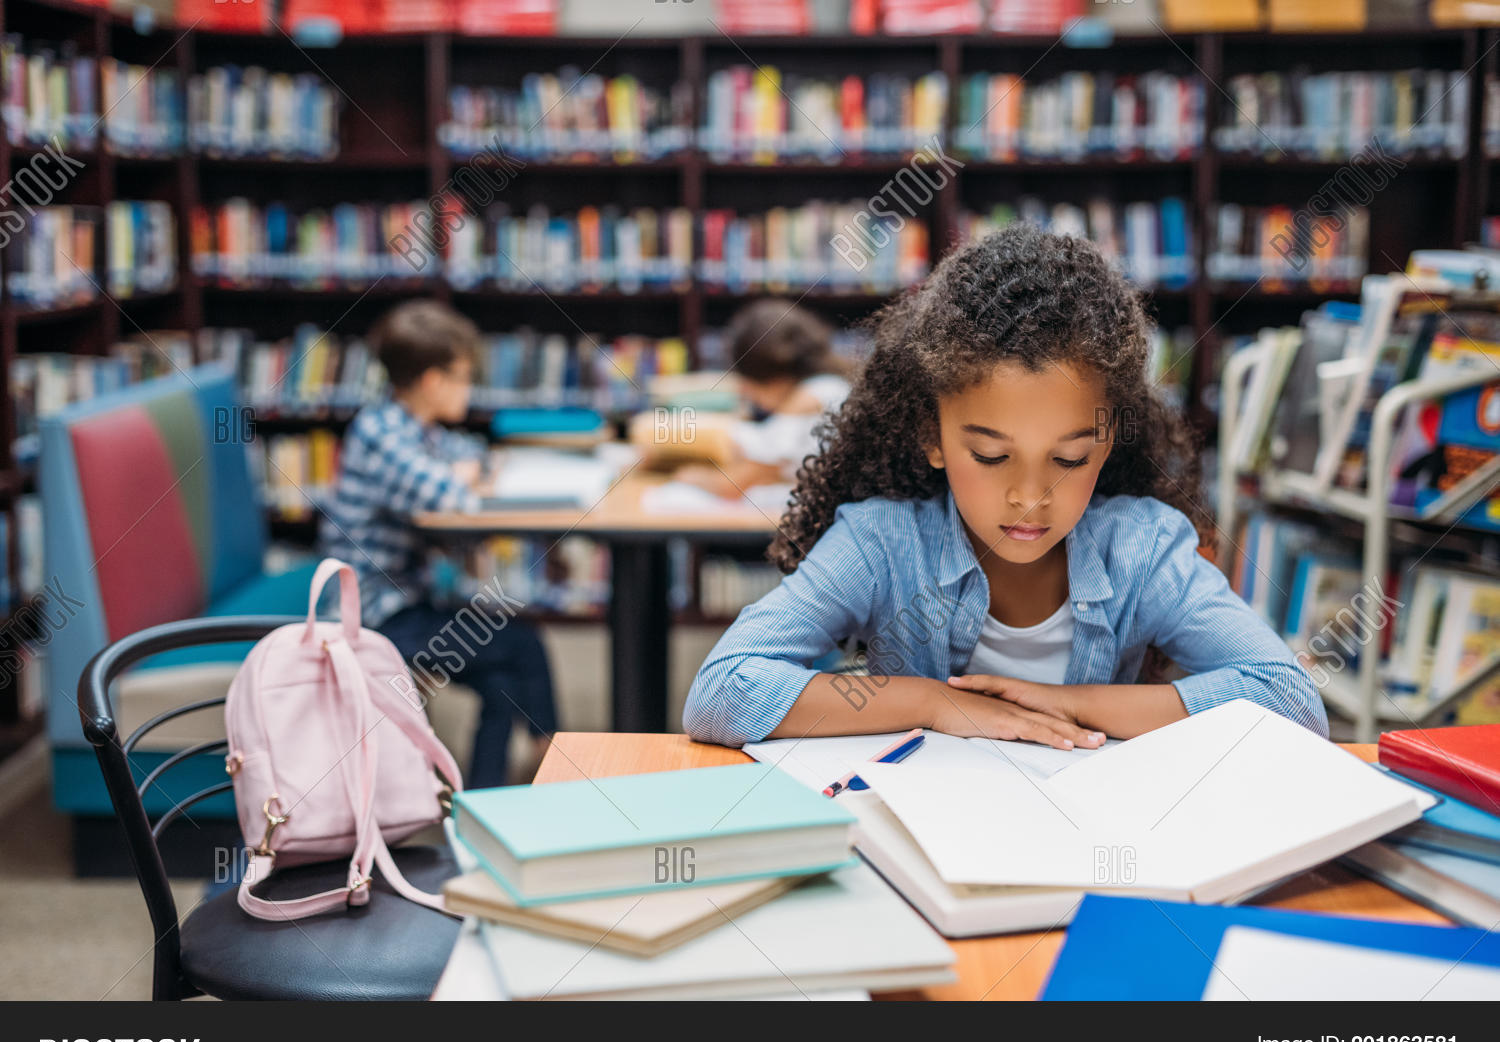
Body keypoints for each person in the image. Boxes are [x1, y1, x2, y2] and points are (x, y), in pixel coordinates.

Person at [683, 225, 1327, 749]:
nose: (1030, 496)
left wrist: (1069, 706)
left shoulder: (1143, 548)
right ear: (932, 436)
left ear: (1106, 442)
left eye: (1069, 458)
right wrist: (931, 702)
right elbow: (721, 693)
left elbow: (1290, 700)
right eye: (990, 455)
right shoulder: (881, 542)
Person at [319, 300, 557, 786]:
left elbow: (477, 460)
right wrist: (466, 475)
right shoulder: (379, 433)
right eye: (464, 377)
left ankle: (485, 802)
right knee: (524, 643)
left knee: (502, 680)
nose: (470, 389)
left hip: (413, 602)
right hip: (375, 619)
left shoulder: (418, 430)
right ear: (432, 381)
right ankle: (553, 762)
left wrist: (470, 471)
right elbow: (452, 497)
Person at [673, 299, 852, 498]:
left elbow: (733, 485)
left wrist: (690, 476)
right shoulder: (832, 385)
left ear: (772, 376)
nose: (746, 392)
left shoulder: (811, 397)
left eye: (748, 383)